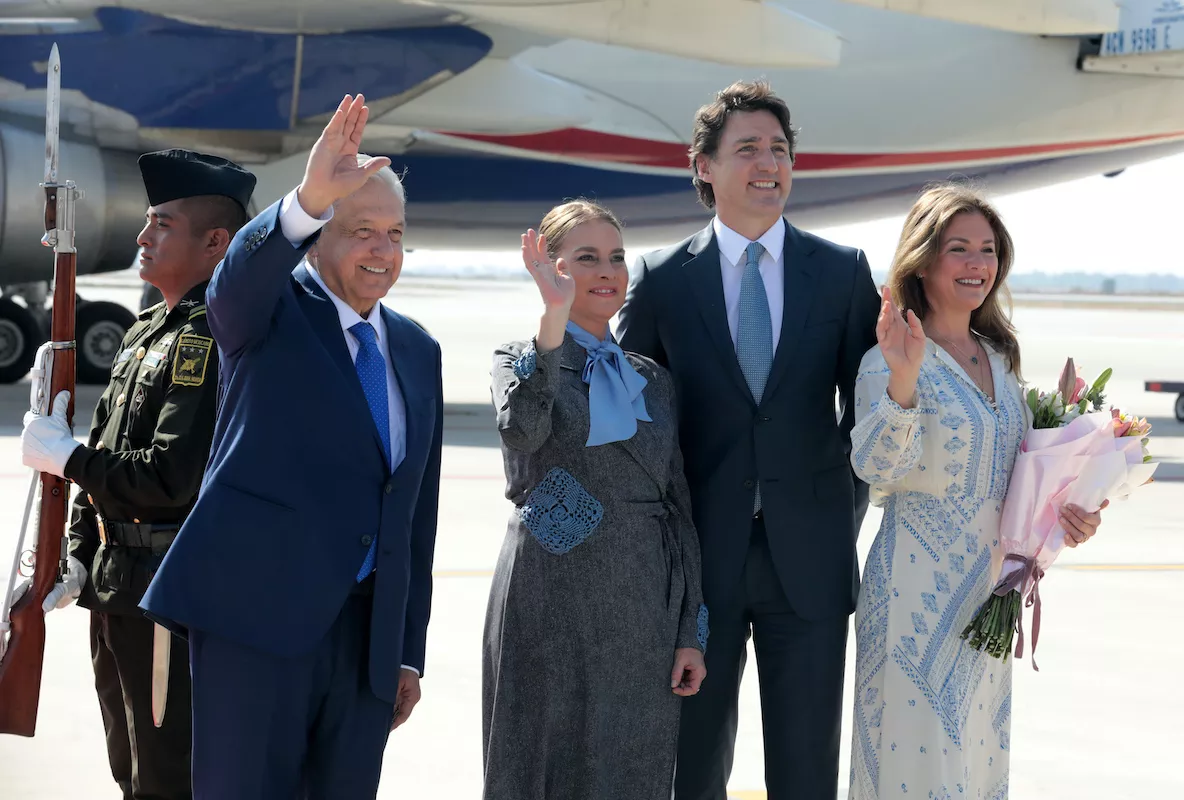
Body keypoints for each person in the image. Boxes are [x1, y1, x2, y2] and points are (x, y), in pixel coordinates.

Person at [139, 94, 444, 798]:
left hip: (365, 643)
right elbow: (238, 278)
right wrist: (307, 199)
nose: (383, 251)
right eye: (362, 231)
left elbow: (414, 513)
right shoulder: (266, 314)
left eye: (395, 234)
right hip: (256, 625)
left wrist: (406, 650)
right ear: (317, 238)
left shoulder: (415, 348)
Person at [615, 79, 881, 798]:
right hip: (701, 566)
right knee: (693, 770)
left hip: (812, 562)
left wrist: (841, 508)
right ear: (704, 166)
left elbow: (870, 409)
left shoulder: (843, 273)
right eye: (749, 149)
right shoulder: (662, 280)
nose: (769, 163)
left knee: (806, 773)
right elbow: (634, 424)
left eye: (780, 150)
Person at [846, 182, 1106, 800]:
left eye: (987, 250)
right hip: (914, 594)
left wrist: (1071, 516)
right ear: (923, 260)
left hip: (990, 596)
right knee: (916, 767)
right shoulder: (887, 358)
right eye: (958, 248)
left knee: (975, 765)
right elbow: (876, 470)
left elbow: (1021, 479)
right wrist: (904, 380)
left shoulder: (1001, 359)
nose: (976, 264)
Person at [15, 148, 255, 800]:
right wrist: (75, 554)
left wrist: (68, 458)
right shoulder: (146, 329)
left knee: (166, 776)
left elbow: (169, 476)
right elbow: (108, 452)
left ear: (215, 243)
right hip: (114, 586)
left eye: (162, 224)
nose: (143, 236)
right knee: (129, 769)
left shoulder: (208, 337)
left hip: (164, 593)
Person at [483, 201, 707, 799]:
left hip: (644, 607)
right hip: (550, 601)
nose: (607, 271)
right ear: (552, 269)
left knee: (631, 773)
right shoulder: (519, 358)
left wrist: (691, 628)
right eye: (587, 258)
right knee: (541, 769)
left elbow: (678, 506)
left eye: (615, 257)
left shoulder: (651, 379)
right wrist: (553, 320)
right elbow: (523, 431)